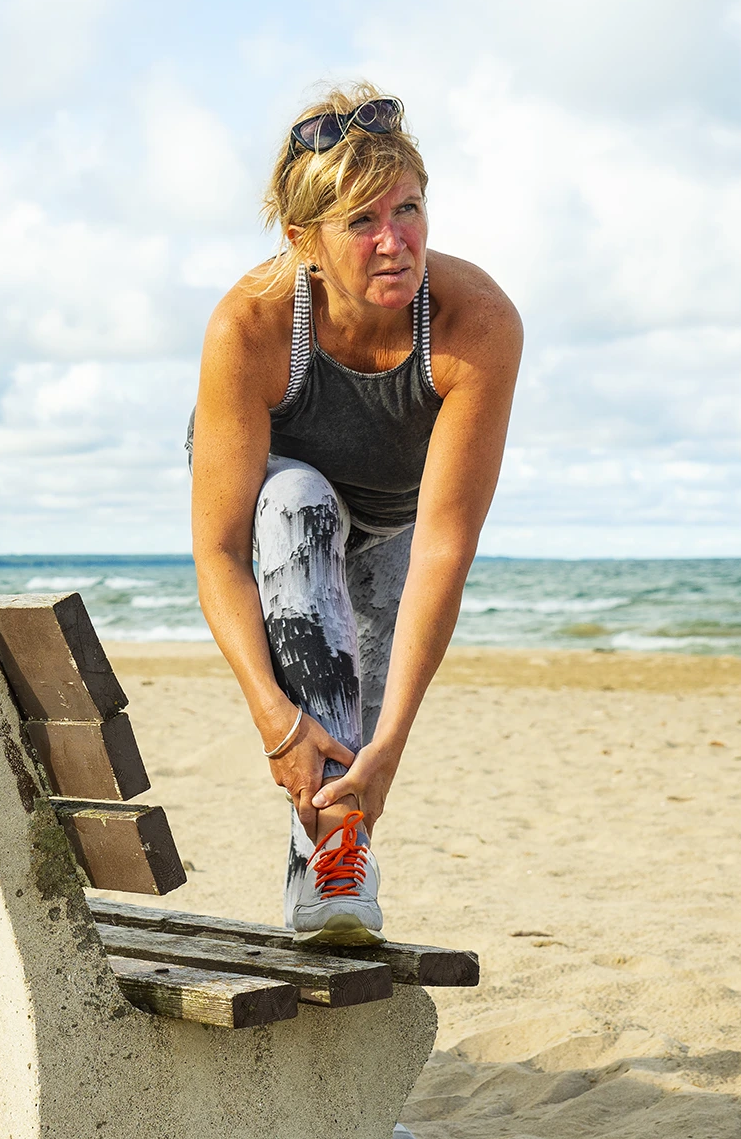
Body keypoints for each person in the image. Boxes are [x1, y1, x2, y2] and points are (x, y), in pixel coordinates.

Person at [188, 83, 523, 944]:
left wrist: (390, 749)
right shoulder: (251, 327)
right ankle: (332, 868)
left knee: (357, 742)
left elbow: (445, 544)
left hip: (393, 526)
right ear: (304, 241)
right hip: (278, 518)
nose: (395, 240)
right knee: (297, 502)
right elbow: (220, 549)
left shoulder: (473, 325)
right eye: (362, 221)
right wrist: (272, 714)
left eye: (408, 208)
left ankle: (337, 852)